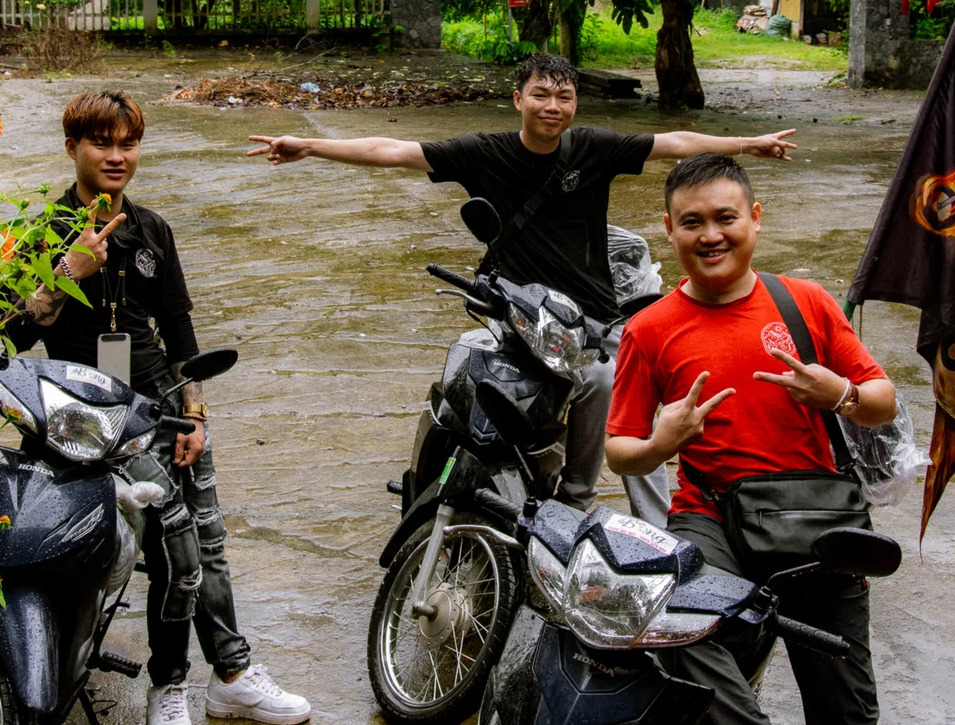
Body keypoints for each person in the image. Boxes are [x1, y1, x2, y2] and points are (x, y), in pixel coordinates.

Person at [246, 52, 797, 523]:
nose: (552, 107)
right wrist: (312, 147)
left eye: (563, 96)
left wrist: (749, 143)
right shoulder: (486, 152)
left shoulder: (591, 148)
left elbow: (672, 142)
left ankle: (596, 505)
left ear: (575, 104)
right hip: (515, 315)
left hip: (592, 316)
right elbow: (396, 150)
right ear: (518, 99)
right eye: (541, 95)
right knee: (470, 374)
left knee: (621, 394)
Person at [605, 153, 895, 725]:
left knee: (846, 715)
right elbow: (620, 446)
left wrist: (839, 393)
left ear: (755, 219)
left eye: (726, 217)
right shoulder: (650, 329)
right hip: (714, 508)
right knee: (677, 622)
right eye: (693, 221)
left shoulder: (803, 303)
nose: (711, 235)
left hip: (817, 515)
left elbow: (882, 398)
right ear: (667, 230)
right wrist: (663, 443)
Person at [6, 90, 310, 725]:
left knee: (210, 544)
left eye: (128, 144)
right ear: (72, 149)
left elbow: (179, 334)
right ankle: (173, 681)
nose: (117, 156)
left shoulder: (154, 232)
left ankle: (230, 675)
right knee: (177, 546)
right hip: (84, 418)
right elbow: (6, 332)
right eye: (102, 143)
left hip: (158, 402)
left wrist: (194, 412)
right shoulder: (43, 233)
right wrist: (66, 272)